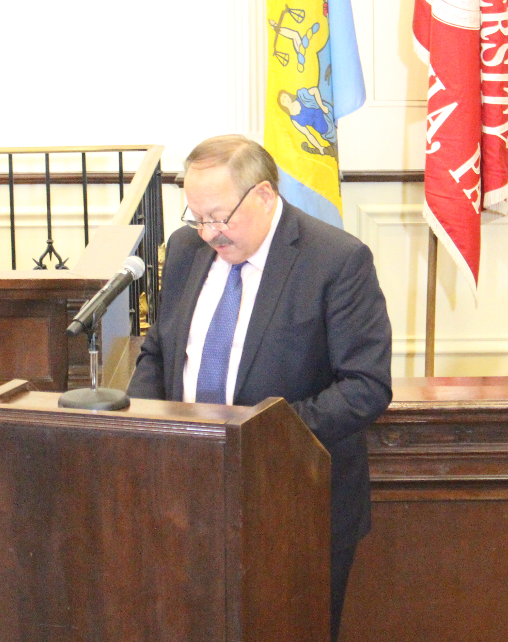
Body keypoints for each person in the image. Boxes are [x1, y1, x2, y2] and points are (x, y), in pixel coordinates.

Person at [127, 134, 393, 642]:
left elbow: (365, 385)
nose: (209, 234)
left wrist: (259, 437)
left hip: (294, 501)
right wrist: (145, 426)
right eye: (197, 218)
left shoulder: (336, 261)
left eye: (220, 217)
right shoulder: (185, 251)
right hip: (185, 497)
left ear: (265, 195)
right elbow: (160, 350)